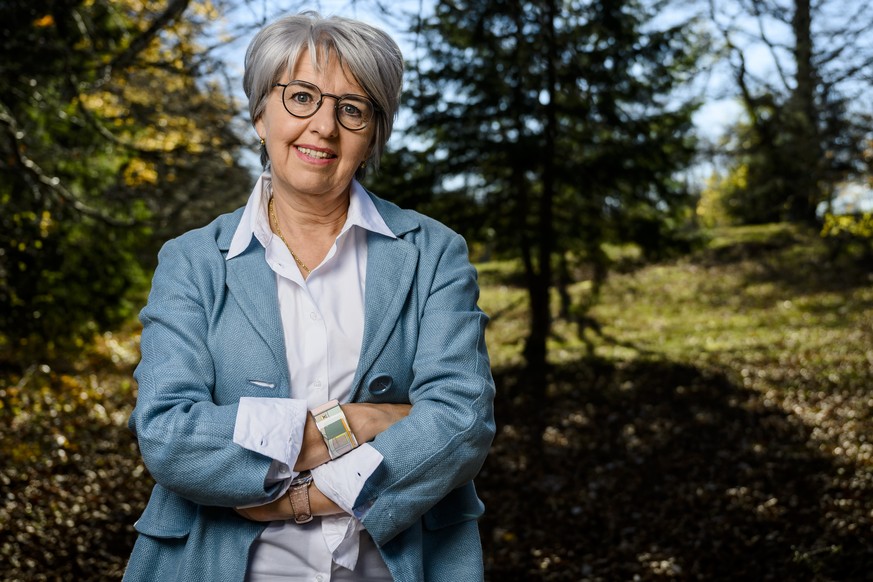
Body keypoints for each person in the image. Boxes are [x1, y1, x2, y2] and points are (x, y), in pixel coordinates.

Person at [122, 12, 496, 582]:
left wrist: (309, 499)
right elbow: (169, 435)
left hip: (391, 566)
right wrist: (356, 421)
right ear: (260, 112)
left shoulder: (434, 253)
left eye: (353, 108)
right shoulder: (191, 261)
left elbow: (462, 420)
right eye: (301, 97)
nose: (324, 126)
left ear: (373, 132)